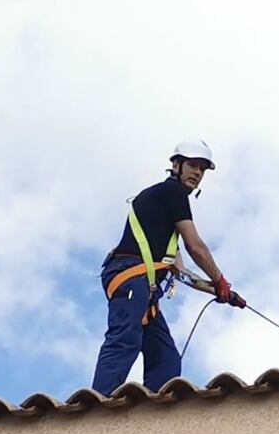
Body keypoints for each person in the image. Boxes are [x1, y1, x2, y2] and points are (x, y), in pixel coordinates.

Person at [92, 140, 245, 393]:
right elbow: (195, 246)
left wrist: (222, 293)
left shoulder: (164, 217)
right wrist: (220, 280)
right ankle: (96, 407)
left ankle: (154, 416)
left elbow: (181, 273)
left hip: (143, 286)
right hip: (130, 276)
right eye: (193, 166)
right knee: (124, 340)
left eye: (202, 170)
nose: (197, 173)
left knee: (166, 359)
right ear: (176, 165)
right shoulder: (172, 193)